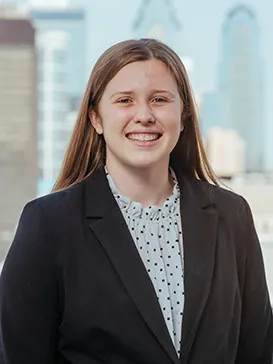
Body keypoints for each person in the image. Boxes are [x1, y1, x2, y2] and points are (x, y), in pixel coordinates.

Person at [0, 38, 272, 364]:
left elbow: (258, 352)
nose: (143, 115)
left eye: (159, 99)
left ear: (183, 116)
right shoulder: (48, 224)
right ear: (96, 119)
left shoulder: (232, 216)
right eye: (124, 100)